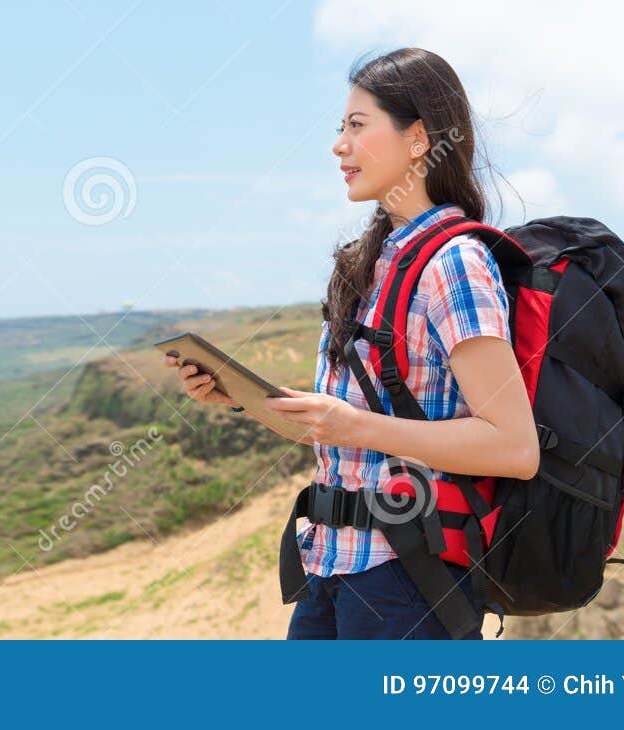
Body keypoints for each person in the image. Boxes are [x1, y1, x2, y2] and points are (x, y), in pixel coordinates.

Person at [163, 48, 538, 639]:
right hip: (329, 568)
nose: (339, 145)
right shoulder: (368, 264)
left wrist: (353, 427)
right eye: (341, 128)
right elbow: (336, 428)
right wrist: (238, 397)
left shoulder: (455, 264)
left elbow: (514, 447)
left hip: (407, 580)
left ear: (419, 139)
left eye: (357, 126)